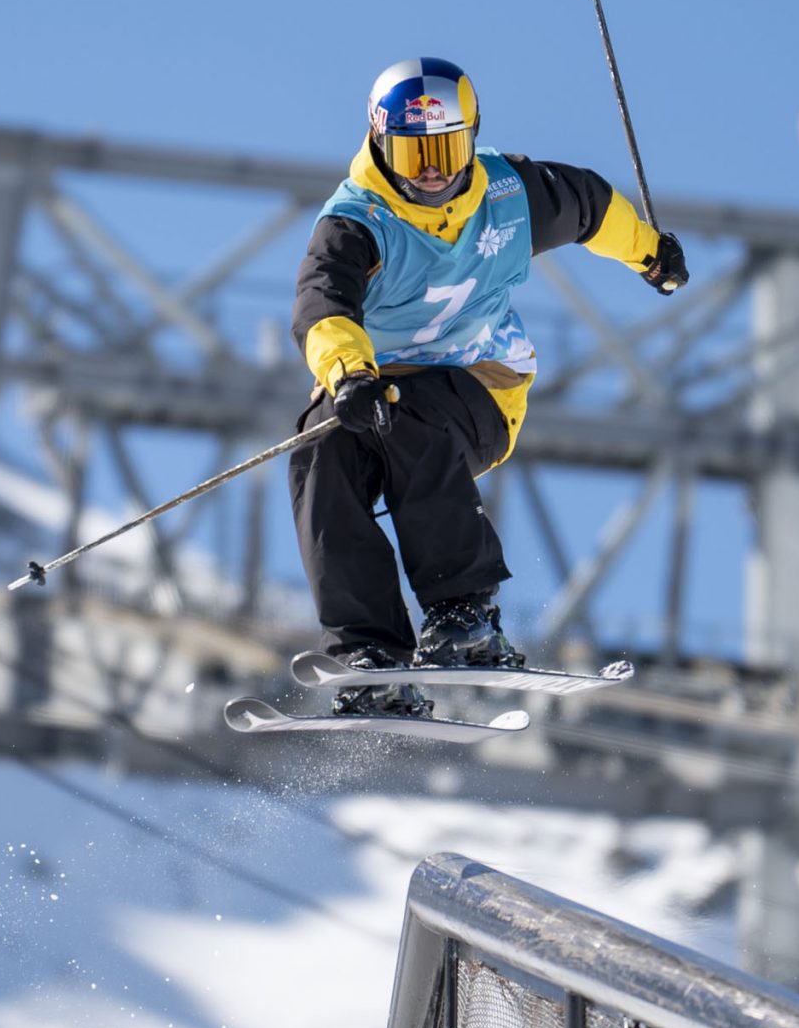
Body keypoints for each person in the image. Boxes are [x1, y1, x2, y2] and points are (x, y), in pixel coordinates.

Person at [291, 56, 687, 718]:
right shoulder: (355, 223)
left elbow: (589, 205)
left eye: (446, 149)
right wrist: (346, 372)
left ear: (471, 138)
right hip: (373, 385)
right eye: (413, 155)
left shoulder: (507, 195)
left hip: (484, 384)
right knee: (318, 446)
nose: (433, 172)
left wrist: (650, 252)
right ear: (380, 147)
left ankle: (464, 614)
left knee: (406, 414)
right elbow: (322, 304)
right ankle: (369, 654)